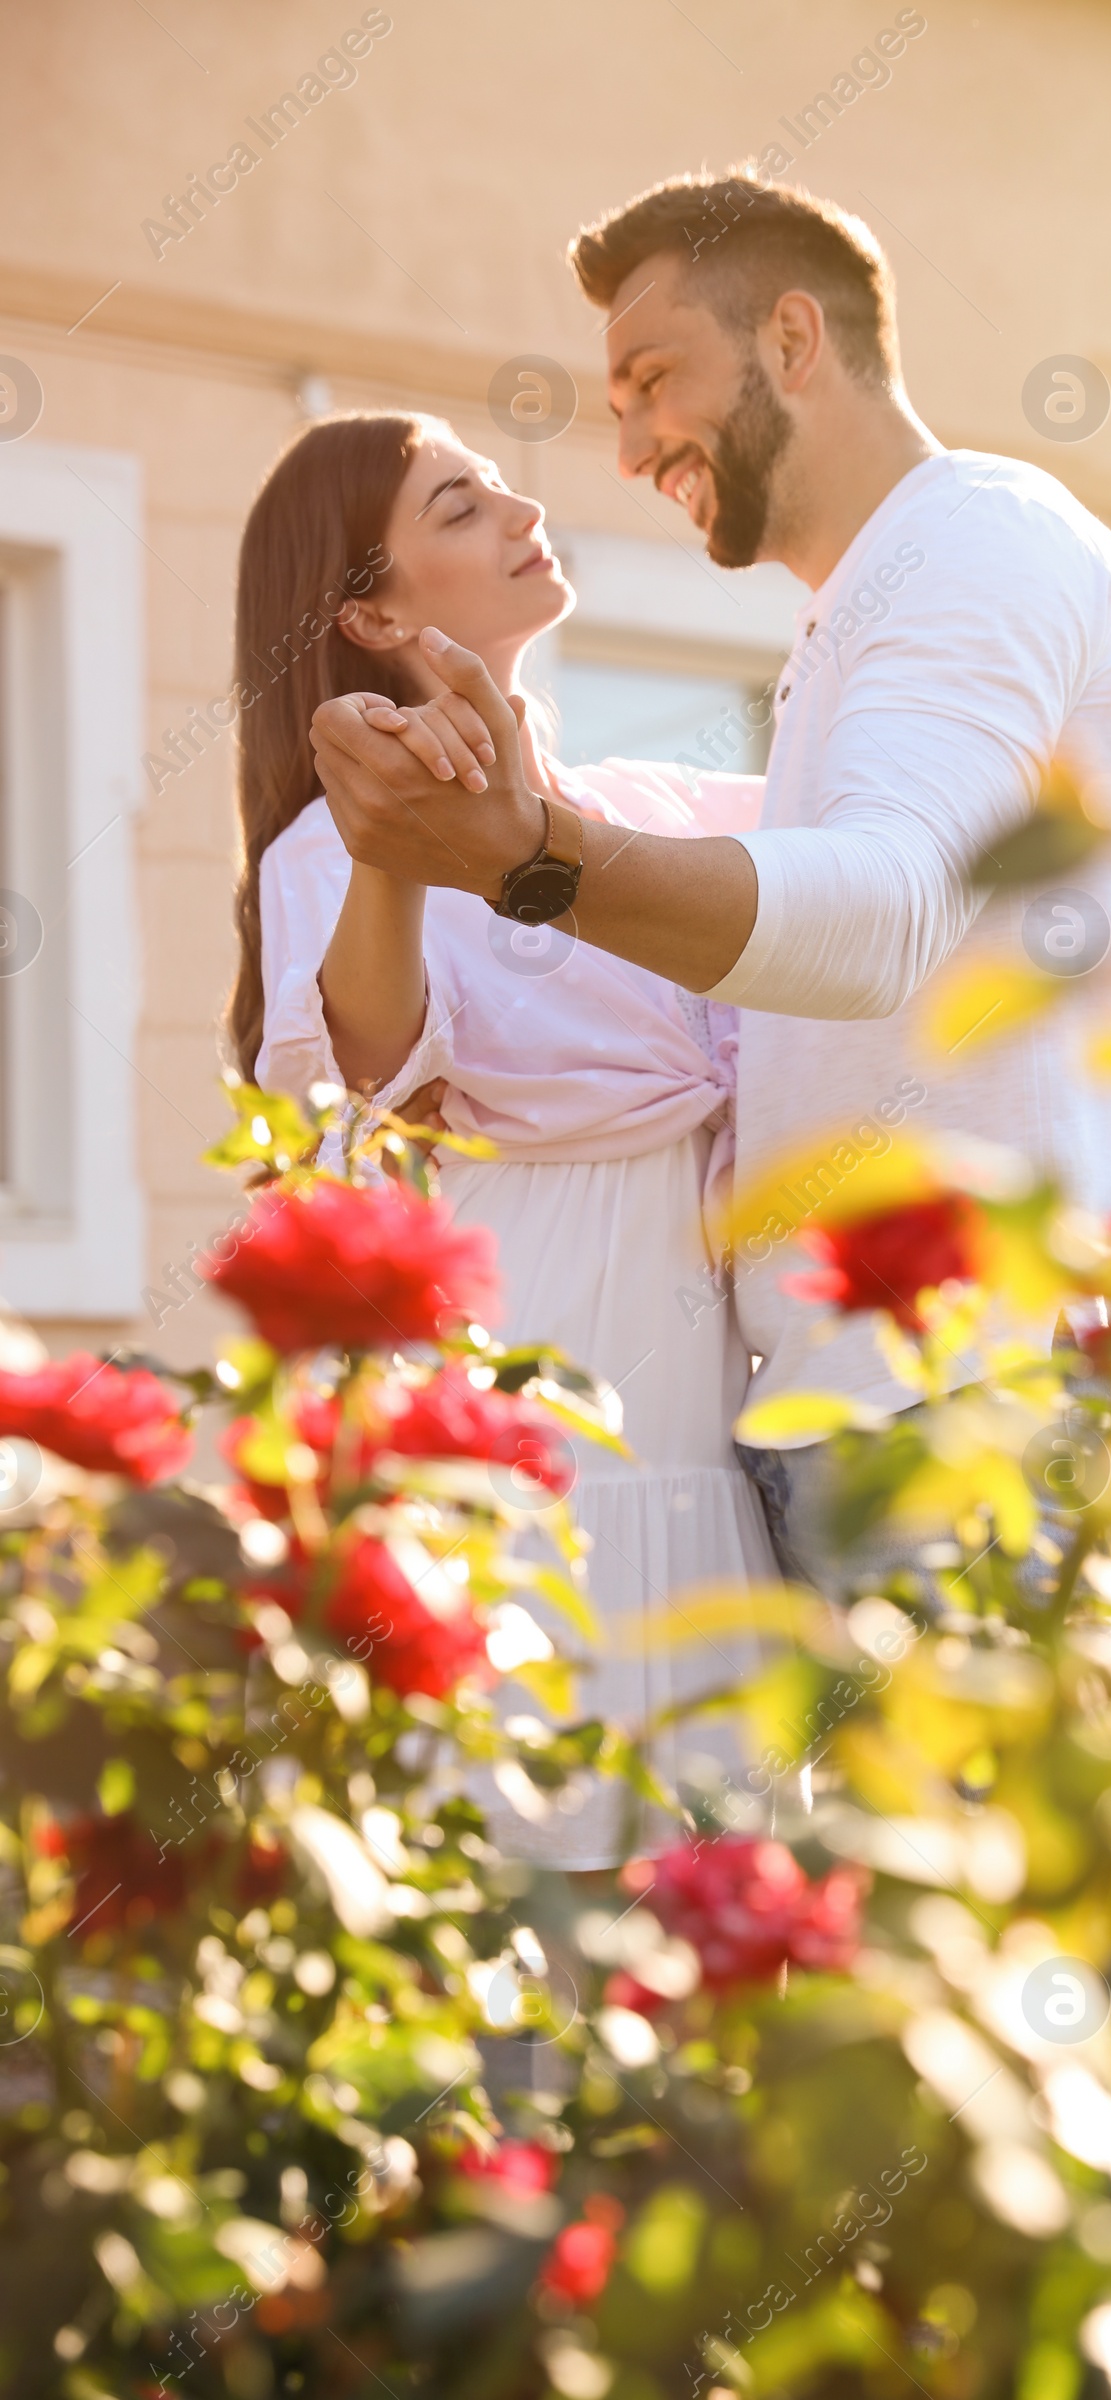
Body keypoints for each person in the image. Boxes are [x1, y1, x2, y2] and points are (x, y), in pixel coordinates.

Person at [308, 172, 1111, 1577]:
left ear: (789, 340)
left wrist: (537, 858)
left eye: (656, 380)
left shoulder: (976, 543)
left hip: (963, 1405)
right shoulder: (855, 616)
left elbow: (884, 914)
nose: (637, 444)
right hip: (868, 1403)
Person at [228, 409, 775, 1860]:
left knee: (701, 1939)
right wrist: (393, 839)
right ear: (373, 611)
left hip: (705, 1457)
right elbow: (363, 1065)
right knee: (520, 1938)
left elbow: (881, 859)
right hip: (532, 1438)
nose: (521, 504)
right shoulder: (322, 856)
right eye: (460, 504)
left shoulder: (650, 817)